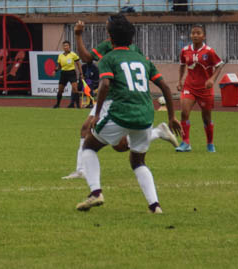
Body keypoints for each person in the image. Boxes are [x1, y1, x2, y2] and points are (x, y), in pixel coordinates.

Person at [75, 16, 181, 213]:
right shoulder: (142, 59)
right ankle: (154, 206)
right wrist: (172, 117)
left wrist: (97, 114)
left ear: (109, 38)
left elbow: (105, 84)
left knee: (89, 146)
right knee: (137, 161)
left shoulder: (108, 58)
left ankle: (96, 192)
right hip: (146, 114)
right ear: (132, 38)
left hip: (121, 111)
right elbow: (165, 86)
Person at [176, 25, 225, 153]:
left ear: (204, 36)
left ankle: (210, 143)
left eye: (198, 33)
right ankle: (185, 142)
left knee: (206, 118)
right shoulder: (185, 50)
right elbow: (182, 65)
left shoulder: (209, 51)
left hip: (205, 89)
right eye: (193, 33)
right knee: (184, 112)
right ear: (190, 35)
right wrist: (180, 80)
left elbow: (219, 65)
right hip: (189, 86)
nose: (195, 35)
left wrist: (212, 79)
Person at [53, 41, 83, 109]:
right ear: (62, 47)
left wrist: (81, 74)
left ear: (69, 46)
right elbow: (59, 66)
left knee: (75, 89)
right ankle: (57, 104)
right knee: (60, 90)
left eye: (67, 45)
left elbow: (78, 65)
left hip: (71, 73)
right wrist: (55, 70)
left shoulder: (73, 54)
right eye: (64, 46)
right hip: (64, 73)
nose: (65, 47)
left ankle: (78, 105)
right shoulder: (60, 56)